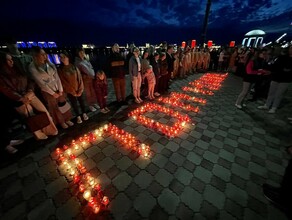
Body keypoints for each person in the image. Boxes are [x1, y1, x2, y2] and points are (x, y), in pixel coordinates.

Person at [0, 52, 58, 140]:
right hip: (18, 100)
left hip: (29, 94)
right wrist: (21, 98)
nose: (11, 62)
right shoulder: (2, 76)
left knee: (44, 111)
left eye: (11, 59)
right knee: (30, 116)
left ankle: (50, 129)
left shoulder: (18, 70)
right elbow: (6, 90)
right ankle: (38, 134)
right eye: (8, 60)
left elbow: (30, 80)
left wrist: (30, 90)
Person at [29, 46, 74, 129]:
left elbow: (57, 77)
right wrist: (52, 93)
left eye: (45, 54)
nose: (45, 56)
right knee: (54, 107)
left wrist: (60, 90)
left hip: (57, 88)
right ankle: (61, 122)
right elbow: (41, 83)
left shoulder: (50, 64)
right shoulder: (33, 67)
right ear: (36, 56)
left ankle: (67, 119)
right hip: (47, 91)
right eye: (42, 54)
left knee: (63, 104)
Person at [258, 45, 292, 114]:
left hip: (286, 79)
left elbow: (287, 69)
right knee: (271, 92)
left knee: (279, 94)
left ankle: (274, 107)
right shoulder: (283, 56)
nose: (291, 50)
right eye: (291, 48)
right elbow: (276, 65)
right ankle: (267, 105)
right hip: (276, 76)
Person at [58, 52, 89, 124]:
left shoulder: (74, 67)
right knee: (74, 103)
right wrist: (73, 91)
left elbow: (79, 78)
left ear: (68, 57)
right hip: (70, 90)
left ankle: (84, 113)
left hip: (78, 88)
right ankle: (78, 116)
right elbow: (64, 82)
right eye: (61, 57)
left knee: (82, 101)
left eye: (64, 57)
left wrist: (80, 88)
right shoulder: (61, 70)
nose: (63, 59)